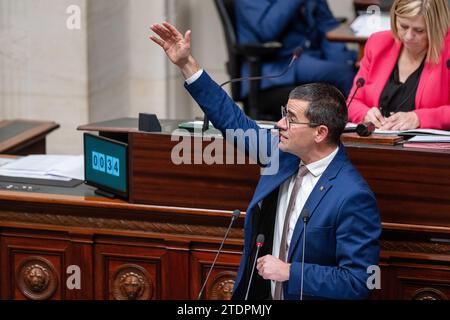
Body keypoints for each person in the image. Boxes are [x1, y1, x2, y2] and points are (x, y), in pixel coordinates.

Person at [150, 22, 381, 300]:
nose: (280, 124)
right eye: (284, 113)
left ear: (320, 133)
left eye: (291, 119)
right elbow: (231, 119)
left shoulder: (352, 195)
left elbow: (359, 282)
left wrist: (290, 272)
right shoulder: (282, 155)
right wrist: (187, 64)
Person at [348, 0, 450, 131]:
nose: (408, 37)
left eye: (419, 30)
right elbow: (352, 102)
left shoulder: (447, 51)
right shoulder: (378, 44)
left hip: (428, 149)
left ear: (437, 27)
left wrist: (419, 118)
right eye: (403, 26)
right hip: (377, 143)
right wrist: (365, 114)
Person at [235, 0, 357, 98]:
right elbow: (267, 31)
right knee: (345, 74)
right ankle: (356, 124)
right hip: (278, 65)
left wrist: (343, 61)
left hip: (312, 56)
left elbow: (327, 26)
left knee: (360, 66)